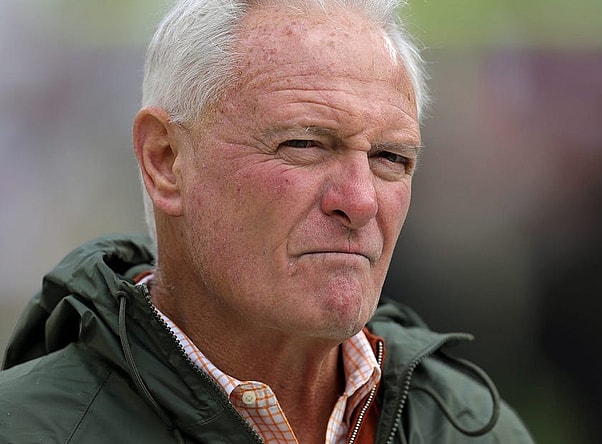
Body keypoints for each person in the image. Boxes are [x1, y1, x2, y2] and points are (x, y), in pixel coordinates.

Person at [0, 0, 533, 442]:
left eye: (391, 158)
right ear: (166, 160)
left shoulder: (475, 429)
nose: (361, 200)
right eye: (303, 144)